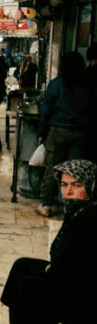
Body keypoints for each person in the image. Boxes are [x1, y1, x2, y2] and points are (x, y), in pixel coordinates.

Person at [0, 159, 97, 324]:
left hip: (89, 303)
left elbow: (77, 269)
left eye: (77, 185)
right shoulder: (79, 209)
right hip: (76, 282)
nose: (69, 191)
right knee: (22, 265)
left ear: (90, 186)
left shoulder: (90, 218)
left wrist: (49, 273)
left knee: (33, 286)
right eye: (64, 185)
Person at [35, 51, 91, 217]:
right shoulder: (87, 86)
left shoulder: (57, 84)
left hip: (58, 131)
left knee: (53, 168)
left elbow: (45, 109)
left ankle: (46, 203)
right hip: (80, 133)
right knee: (74, 171)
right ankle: (71, 206)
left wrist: (41, 131)